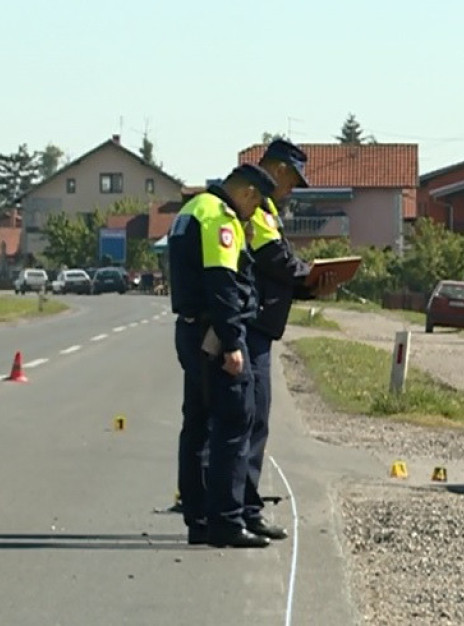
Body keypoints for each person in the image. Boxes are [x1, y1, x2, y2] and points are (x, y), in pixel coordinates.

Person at [168, 163, 277, 548]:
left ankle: (198, 521)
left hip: (190, 328)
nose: (253, 213)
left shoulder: (191, 209)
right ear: (247, 193)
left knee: (196, 425)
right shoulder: (220, 217)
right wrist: (231, 342)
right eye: (256, 203)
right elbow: (221, 282)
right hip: (215, 333)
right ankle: (227, 521)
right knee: (234, 422)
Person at [241, 139, 335, 540]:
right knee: (251, 418)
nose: (293, 190)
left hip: (259, 322)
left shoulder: (263, 209)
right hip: (255, 323)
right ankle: (242, 508)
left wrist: (309, 285)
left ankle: (239, 506)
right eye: (292, 181)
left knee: (248, 419)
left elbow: (278, 267)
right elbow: (273, 261)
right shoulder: (258, 210)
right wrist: (310, 276)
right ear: (277, 170)